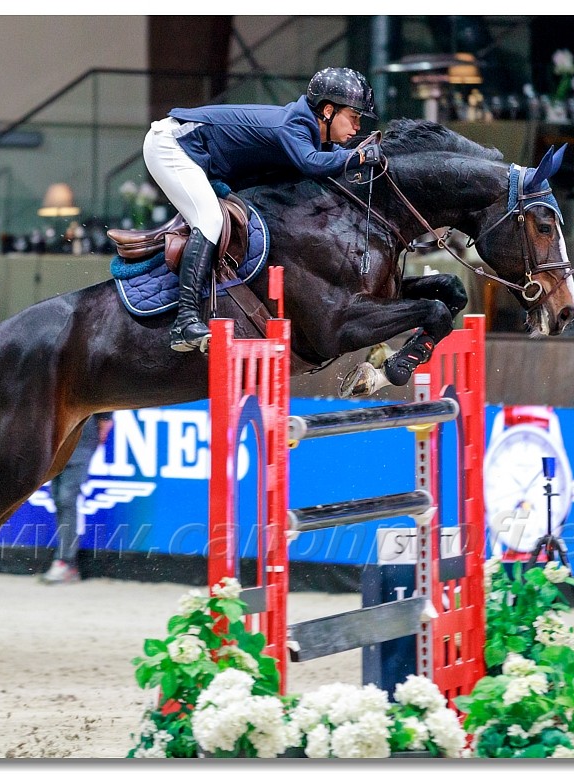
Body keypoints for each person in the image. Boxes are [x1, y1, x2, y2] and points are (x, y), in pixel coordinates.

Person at [142, 67, 380, 352]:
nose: (357, 127)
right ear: (328, 110)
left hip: (192, 153)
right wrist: (362, 156)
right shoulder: (291, 127)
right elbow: (312, 164)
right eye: (353, 117)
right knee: (209, 220)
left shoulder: (306, 131)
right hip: (171, 145)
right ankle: (185, 322)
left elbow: (322, 162)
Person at [41, 412, 113, 585]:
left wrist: (95, 438)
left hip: (80, 442)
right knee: (59, 499)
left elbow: (106, 419)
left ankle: (66, 562)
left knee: (66, 500)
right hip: (58, 444)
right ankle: (66, 561)